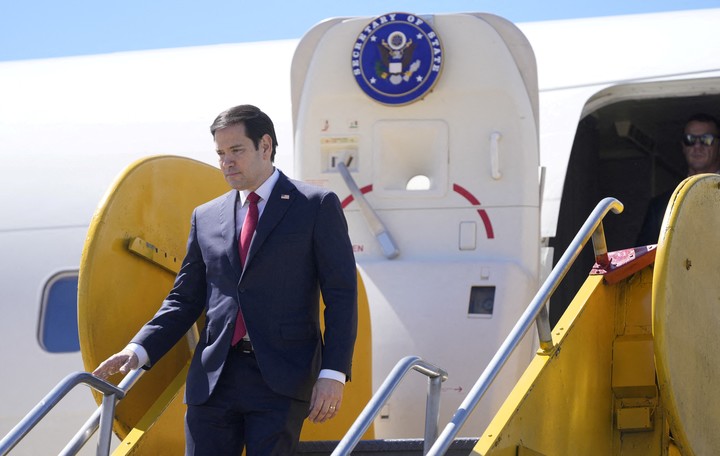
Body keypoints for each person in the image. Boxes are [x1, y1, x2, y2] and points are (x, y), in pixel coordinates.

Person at [93, 104, 358, 455]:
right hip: (214, 378)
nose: (226, 162)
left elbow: (341, 295)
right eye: (220, 153)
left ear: (265, 146)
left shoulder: (315, 205)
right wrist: (138, 349)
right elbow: (184, 299)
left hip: (280, 377)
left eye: (236, 151)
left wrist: (333, 373)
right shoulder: (206, 216)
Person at [636, 113, 720, 246]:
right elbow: (642, 260)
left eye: (706, 139)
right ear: (683, 146)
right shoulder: (660, 206)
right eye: (689, 139)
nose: (697, 146)